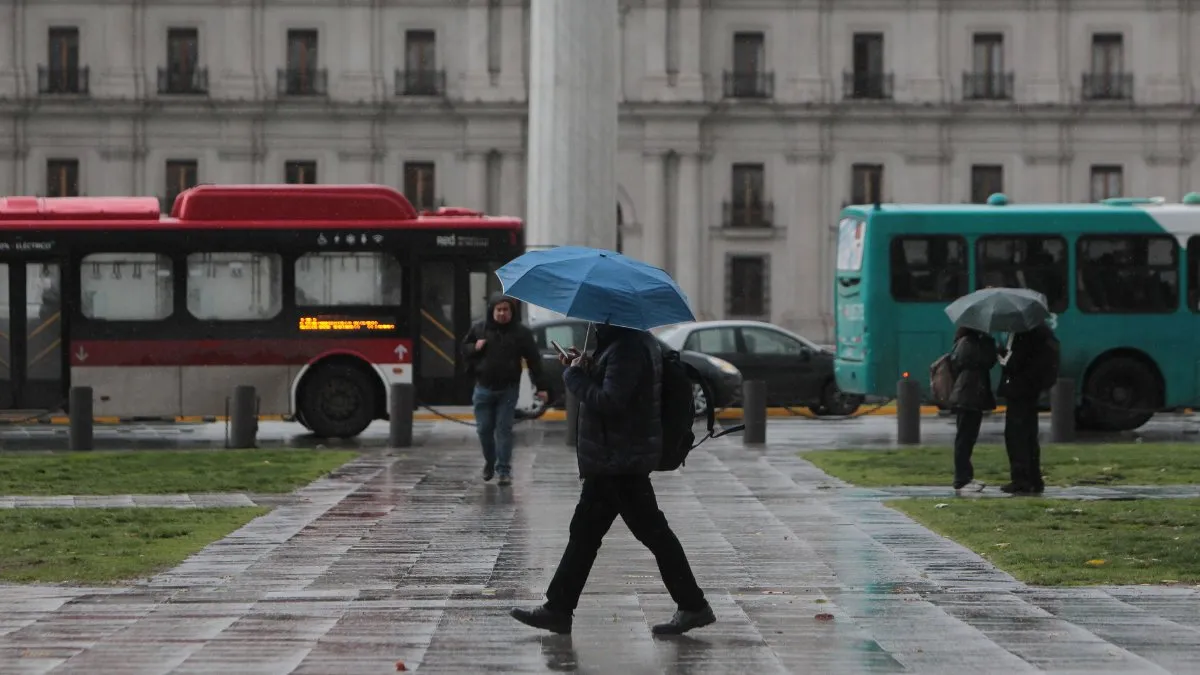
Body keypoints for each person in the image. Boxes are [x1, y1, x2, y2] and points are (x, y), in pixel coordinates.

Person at [509, 323, 715, 636]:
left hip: (618, 460)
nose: (593, 319)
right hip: (615, 458)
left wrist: (575, 377)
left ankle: (693, 605)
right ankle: (559, 609)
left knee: (647, 534)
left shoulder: (628, 348)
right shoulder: (629, 343)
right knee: (588, 534)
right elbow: (621, 389)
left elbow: (611, 401)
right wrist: (588, 366)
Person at [460, 294, 546, 486]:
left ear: (512, 312)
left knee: (504, 429)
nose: (502, 313)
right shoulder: (479, 328)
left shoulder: (521, 333)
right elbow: (464, 348)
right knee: (484, 429)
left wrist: (541, 387)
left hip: (508, 389)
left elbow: (534, 360)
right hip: (483, 388)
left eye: (506, 310)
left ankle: (504, 470)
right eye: (499, 310)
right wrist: (475, 347)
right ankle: (490, 462)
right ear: (492, 311)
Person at [997, 323, 1058, 495]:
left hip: (1019, 390)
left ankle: (1021, 480)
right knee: (1030, 436)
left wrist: (1000, 354)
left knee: (1017, 436)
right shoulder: (1041, 332)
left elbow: (1013, 362)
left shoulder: (1022, 334)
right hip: (1031, 390)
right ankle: (1034, 478)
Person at [948, 326, 998, 493]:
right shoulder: (969, 342)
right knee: (965, 438)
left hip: (971, 395)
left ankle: (965, 476)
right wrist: (989, 343)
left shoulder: (968, 342)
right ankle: (962, 479)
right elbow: (984, 360)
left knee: (967, 438)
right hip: (968, 395)